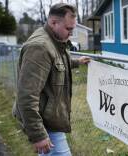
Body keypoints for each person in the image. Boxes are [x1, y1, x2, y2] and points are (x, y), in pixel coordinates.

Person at [12, 3, 90, 155]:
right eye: (69, 29)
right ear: (54, 22)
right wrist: (38, 135)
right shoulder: (40, 47)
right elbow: (27, 95)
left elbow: (54, 64)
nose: (71, 34)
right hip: (43, 121)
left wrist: (76, 62)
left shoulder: (54, 40)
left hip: (48, 117)